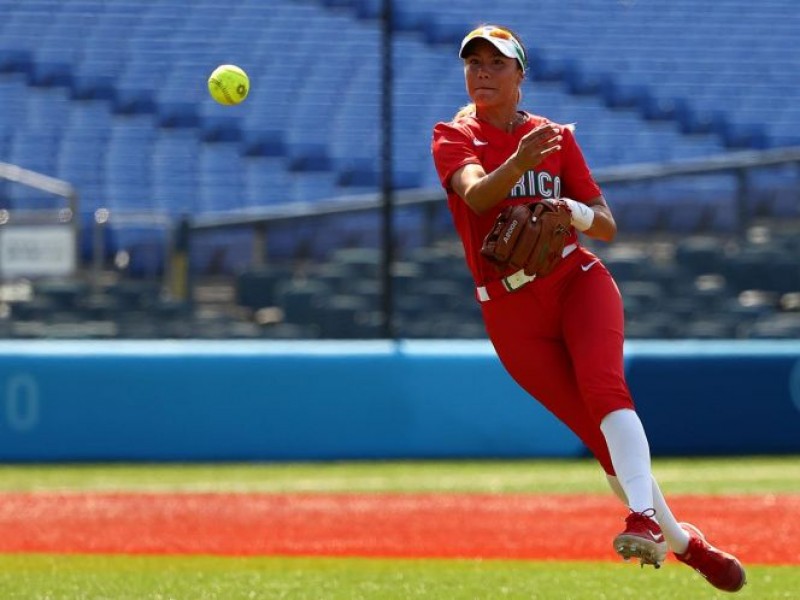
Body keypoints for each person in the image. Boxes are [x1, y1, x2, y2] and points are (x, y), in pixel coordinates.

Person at [430, 24, 746, 592]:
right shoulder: (454, 135)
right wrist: (518, 164)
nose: (482, 72)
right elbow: (476, 195)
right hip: (511, 313)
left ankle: (643, 519)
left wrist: (569, 210)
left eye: (496, 63)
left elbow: (605, 223)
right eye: (473, 62)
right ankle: (685, 543)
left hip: (575, 279)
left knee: (605, 390)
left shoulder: (553, 137)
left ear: (520, 75)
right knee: (601, 443)